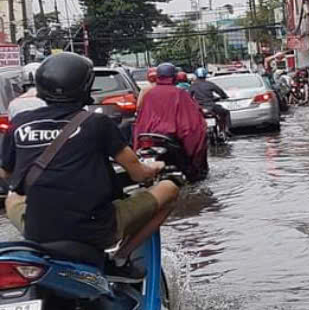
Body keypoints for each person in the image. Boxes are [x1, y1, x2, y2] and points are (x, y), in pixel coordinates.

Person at [0, 53, 180, 256]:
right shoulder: (97, 123)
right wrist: (154, 168)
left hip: (38, 231)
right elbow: (139, 174)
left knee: (13, 198)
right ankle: (122, 258)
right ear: (85, 87)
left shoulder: (20, 122)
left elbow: (7, 175)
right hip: (95, 229)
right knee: (170, 189)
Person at [133, 62, 209, 181]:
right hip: (171, 139)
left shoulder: (149, 94)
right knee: (194, 174)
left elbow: (141, 120)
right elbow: (191, 124)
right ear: (174, 77)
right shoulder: (179, 94)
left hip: (147, 139)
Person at [189, 67, 231, 136]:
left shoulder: (193, 86)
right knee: (226, 112)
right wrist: (224, 97)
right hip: (212, 107)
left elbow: (189, 97)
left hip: (199, 108)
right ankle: (225, 130)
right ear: (205, 75)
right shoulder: (210, 84)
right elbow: (220, 92)